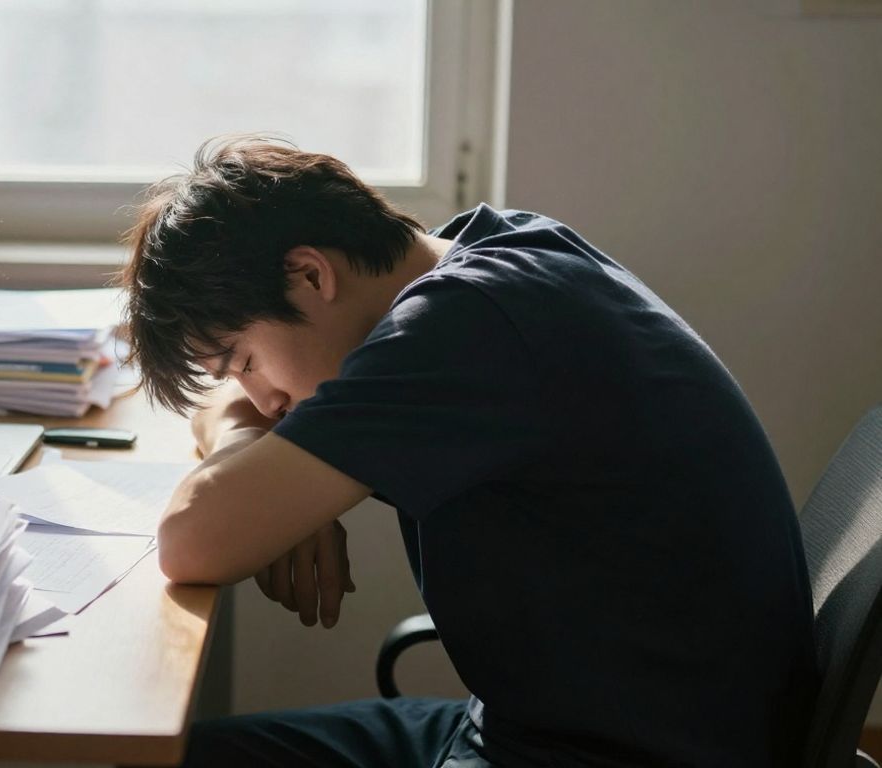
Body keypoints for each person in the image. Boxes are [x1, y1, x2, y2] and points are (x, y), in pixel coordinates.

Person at [119, 136, 819, 767]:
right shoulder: (494, 252)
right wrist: (259, 460)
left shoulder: (460, 333)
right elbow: (222, 412)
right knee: (176, 758)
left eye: (245, 360)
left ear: (310, 275)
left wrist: (260, 489)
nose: (264, 399)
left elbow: (190, 540)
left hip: (621, 753)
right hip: (581, 724)